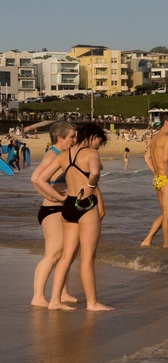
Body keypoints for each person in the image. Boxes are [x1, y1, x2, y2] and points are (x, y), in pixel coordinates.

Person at [48, 122, 112, 310]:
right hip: (85, 205)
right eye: (98, 142)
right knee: (87, 258)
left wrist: (58, 196)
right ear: (93, 136)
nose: (98, 146)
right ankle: (92, 303)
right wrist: (91, 187)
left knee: (66, 257)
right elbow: (94, 172)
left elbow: (41, 178)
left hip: (68, 204)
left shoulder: (63, 156)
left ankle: (54, 301)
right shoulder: (91, 153)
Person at [30, 120, 79, 307]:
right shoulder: (54, 154)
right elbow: (37, 179)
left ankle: (63, 292)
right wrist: (59, 198)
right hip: (52, 210)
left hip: (57, 208)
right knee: (53, 254)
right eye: (71, 137)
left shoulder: (61, 154)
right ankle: (38, 297)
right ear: (60, 138)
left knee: (65, 253)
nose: (74, 140)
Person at [141, 113, 168, 248]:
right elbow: (166, 159)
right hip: (166, 181)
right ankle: (167, 245)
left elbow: (146, 157)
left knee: (164, 213)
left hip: (157, 179)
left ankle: (147, 240)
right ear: (166, 122)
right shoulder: (167, 139)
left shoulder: (154, 138)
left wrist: (156, 172)